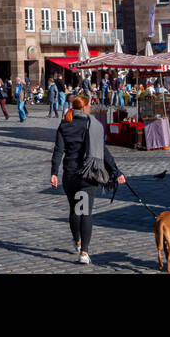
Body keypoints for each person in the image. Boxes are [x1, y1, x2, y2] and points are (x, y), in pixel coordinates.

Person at [50, 94, 125, 264]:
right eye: (89, 105)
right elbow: (103, 152)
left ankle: (77, 241)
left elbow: (58, 151)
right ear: (84, 108)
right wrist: (116, 172)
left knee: (75, 210)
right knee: (84, 212)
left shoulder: (65, 124)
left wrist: (54, 172)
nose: (91, 108)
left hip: (69, 175)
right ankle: (84, 252)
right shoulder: (92, 125)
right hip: (86, 175)